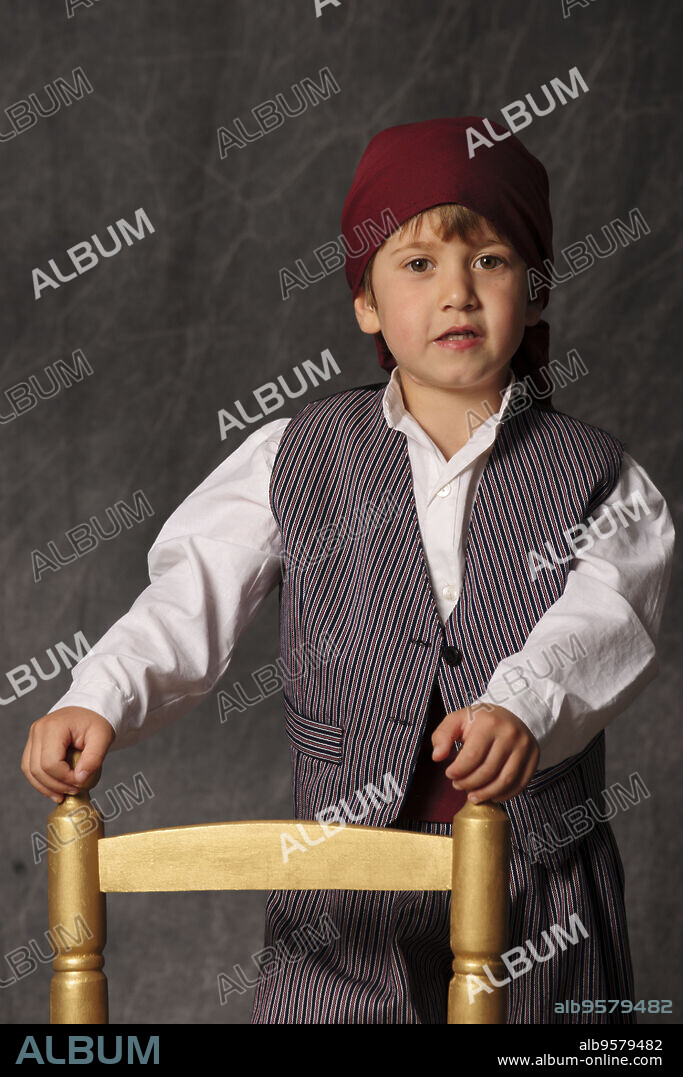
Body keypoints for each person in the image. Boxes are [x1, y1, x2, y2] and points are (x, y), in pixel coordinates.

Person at [21, 117, 674, 1024]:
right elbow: (189, 595)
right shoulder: (293, 455)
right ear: (365, 303)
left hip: (535, 889)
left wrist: (521, 703)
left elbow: (608, 619)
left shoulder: (602, 477)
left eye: (487, 261)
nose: (455, 293)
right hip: (336, 887)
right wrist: (101, 693)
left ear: (533, 290)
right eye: (417, 266)